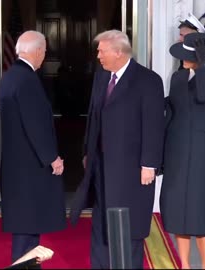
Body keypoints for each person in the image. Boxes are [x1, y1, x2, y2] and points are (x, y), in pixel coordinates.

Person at [70, 29, 165, 269]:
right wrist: (87, 152)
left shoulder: (148, 80)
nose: (98, 56)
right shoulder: (102, 76)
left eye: (101, 51)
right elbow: (94, 117)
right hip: (101, 164)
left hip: (132, 168)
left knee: (129, 224)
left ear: (119, 51)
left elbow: (153, 125)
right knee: (101, 220)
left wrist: (149, 164)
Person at [160, 32, 205, 269]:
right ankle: (185, 265)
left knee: (199, 208)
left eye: (189, 56)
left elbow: (203, 96)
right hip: (176, 146)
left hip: (201, 147)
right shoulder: (177, 77)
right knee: (179, 208)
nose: (183, 59)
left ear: (200, 56)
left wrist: (202, 67)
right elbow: (172, 108)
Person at [0, 30, 67, 264]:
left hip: (17, 165)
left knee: (26, 224)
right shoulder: (27, 79)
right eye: (45, 51)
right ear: (37, 51)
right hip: (30, 167)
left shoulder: (10, 76)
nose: (44, 55)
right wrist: (52, 158)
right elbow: (35, 124)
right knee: (28, 227)